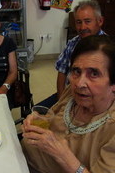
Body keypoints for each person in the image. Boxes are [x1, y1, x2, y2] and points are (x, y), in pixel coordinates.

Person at [21, 35, 115, 173]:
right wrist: (38, 119)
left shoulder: (110, 129)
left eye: (94, 74)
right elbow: (51, 118)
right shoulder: (72, 95)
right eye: (76, 71)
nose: (79, 83)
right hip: (22, 161)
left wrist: (63, 156)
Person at [55, 0, 105, 99]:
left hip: (95, 99)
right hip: (70, 94)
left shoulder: (108, 48)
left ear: (100, 21)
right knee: (35, 112)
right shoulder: (72, 43)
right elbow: (62, 72)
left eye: (87, 21)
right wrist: (60, 100)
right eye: (79, 22)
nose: (82, 27)